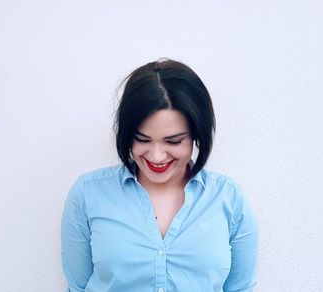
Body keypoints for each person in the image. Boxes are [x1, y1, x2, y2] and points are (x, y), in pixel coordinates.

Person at [61, 58, 258, 291]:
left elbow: (240, 288)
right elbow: (77, 286)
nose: (156, 156)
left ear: (197, 134)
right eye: (142, 140)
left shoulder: (230, 199)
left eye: (173, 141)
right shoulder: (88, 194)